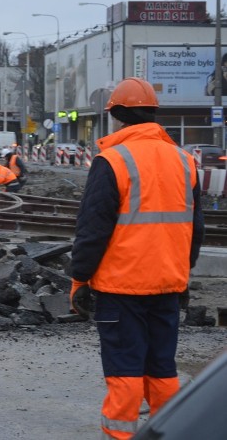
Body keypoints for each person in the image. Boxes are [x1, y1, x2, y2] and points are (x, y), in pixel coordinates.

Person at [69, 77, 204, 439]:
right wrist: (182, 276)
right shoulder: (184, 160)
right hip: (167, 285)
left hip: (121, 287)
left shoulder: (112, 160)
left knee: (125, 370)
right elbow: (196, 228)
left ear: (117, 115)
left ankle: (120, 436)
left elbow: (92, 229)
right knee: (162, 370)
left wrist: (80, 279)